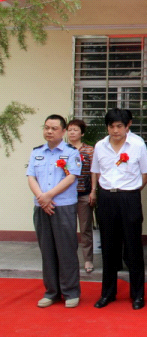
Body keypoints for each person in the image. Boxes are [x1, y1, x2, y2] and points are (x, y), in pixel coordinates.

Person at [92, 108, 147, 310]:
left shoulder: (137, 144)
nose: (115, 130)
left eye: (119, 126)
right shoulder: (100, 146)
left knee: (133, 247)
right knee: (108, 247)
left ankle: (137, 295)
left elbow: (145, 173)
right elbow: (97, 172)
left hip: (129, 197)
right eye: (111, 126)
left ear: (128, 125)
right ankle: (108, 293)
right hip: (106, 198)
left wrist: (132, 190)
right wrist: (101, 191)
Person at [27, 114, 82, 308]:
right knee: (47, 250)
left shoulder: (71, 153)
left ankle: (71, 292)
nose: (49, 131)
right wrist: (41, 198)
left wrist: (49, 196)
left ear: (63, 131)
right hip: (42, 206)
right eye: (46, 128)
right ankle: (52, 292)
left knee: (66, 250)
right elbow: (31, 177)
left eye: (54, 128)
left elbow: (71, 177)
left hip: (63, 206)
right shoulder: (36, 152)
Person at [67, 119, 96, 274]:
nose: (72, 132)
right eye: (70, 130)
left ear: (82, 133)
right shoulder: (62, 150)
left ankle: (88, 259)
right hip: (65, 196)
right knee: (67, 229)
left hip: (84, 194)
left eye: (75, 130)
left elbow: (93, 172)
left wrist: (93, 191)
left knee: (85, 229)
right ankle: (70, 260)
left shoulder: (89, 150)